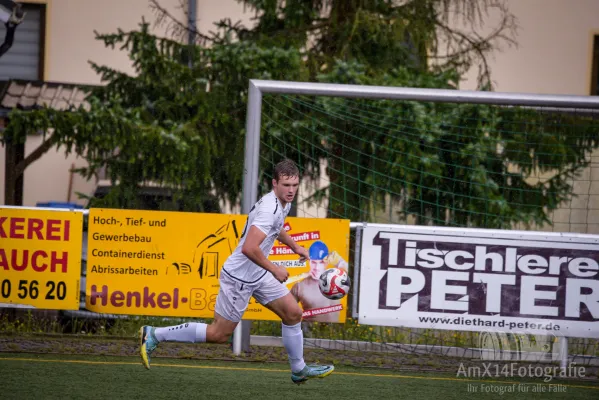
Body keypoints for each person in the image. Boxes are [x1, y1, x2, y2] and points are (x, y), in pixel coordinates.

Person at [139, 159, 334, 384]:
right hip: (239, 277)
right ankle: (154, 334)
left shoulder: (282, 203)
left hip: (257, 273)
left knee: (293, 314)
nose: (291, 190)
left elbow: (276, 228)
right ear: (274, 184)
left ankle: (299, 369)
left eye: (294, 185)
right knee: (218, 334)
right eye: (286, 185)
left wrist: (295, 246)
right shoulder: (268, 210)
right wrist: (274, 269)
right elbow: (249, 248)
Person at [291, 241, 348, 322]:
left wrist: (340, 261)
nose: (317, 267)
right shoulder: (300, 286)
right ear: (309, 261)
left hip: (334, 330)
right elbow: (285, 308)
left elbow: (353, 273)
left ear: (327, 262)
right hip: (308, 330)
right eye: (314, 262)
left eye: (321, 262)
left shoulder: (335, 279)